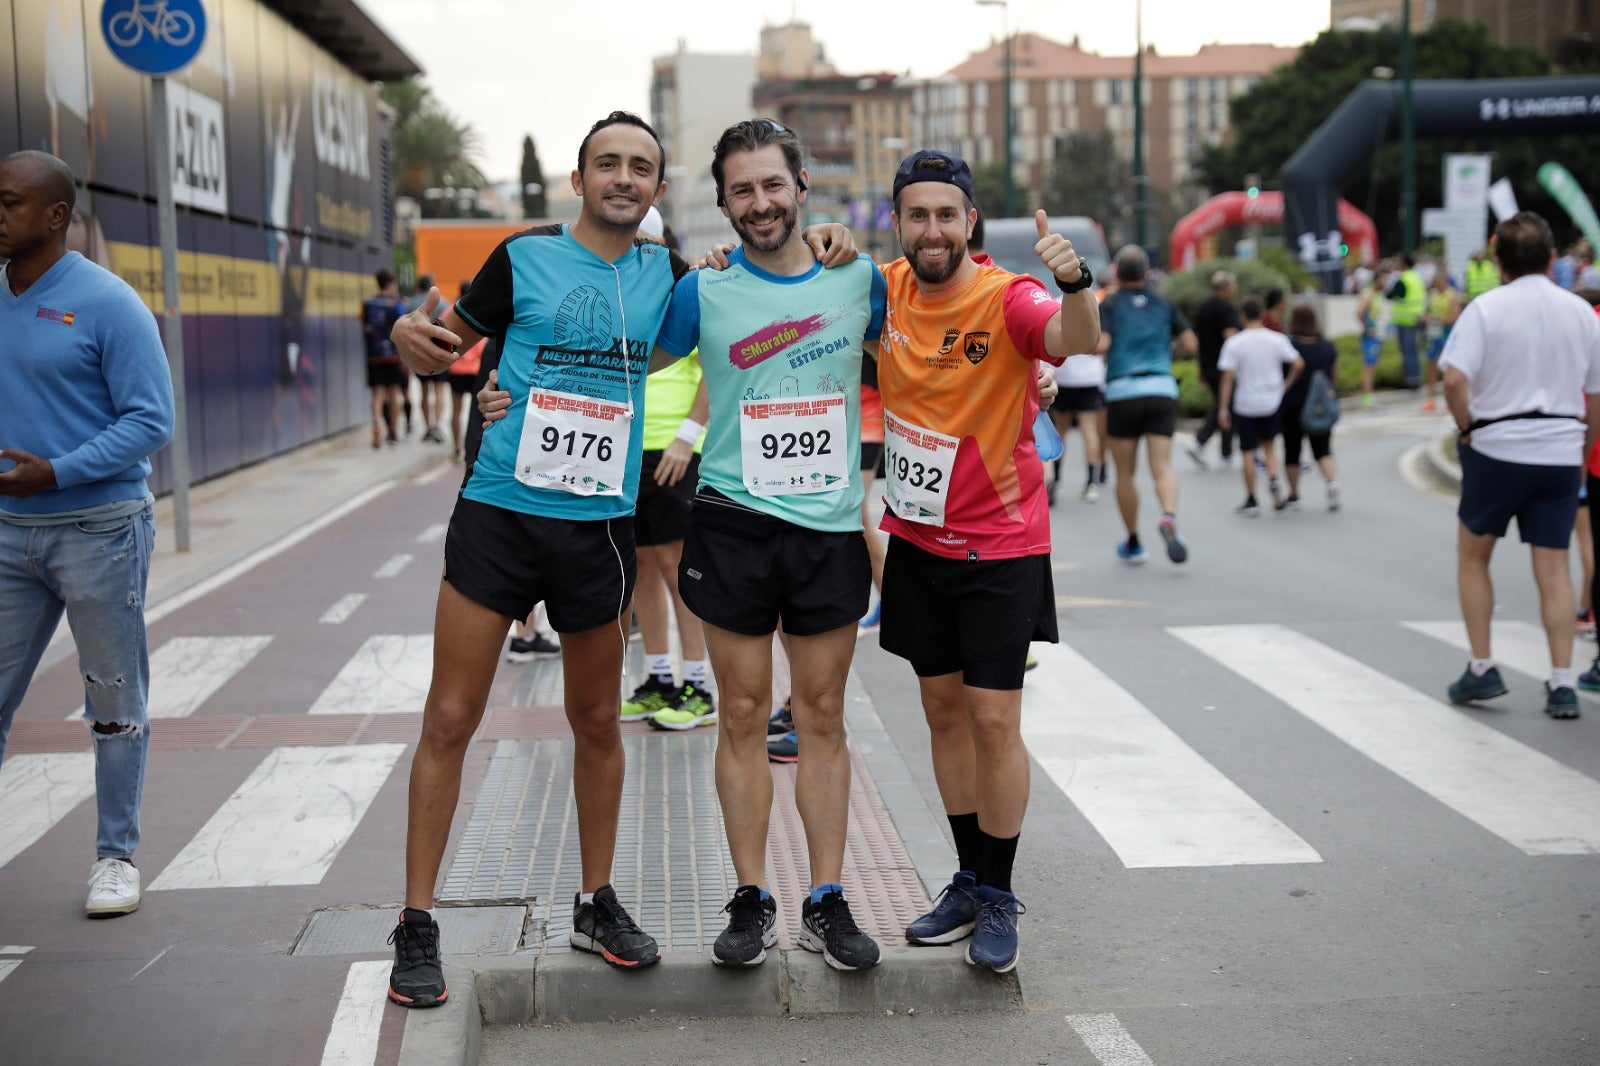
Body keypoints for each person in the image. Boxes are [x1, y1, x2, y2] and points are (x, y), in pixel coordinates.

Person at [385, 112, 857, 1007]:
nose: (625, 178)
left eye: (642, 167)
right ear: (579, 178)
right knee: (449, 717)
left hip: (600, 526)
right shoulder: (522, 257)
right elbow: (438, 341)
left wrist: (830, 245)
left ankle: (596, 901)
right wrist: (418, 349)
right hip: (497, 513)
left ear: (658, 188)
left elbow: (750, 305)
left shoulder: (673, 279)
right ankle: (416, 920)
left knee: (598, 722)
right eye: (609, 163)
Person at [651, 118, 886, 971]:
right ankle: (751, 897)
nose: (760, 203)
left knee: (821, 716)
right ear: (722, 202)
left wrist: (1038, 375)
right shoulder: (701, 293)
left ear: (801, 188)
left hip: (826, 530)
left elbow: (932, 348)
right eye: (742, 190)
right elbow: (618, 355)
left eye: (773, 185)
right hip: (734, 525)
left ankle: (827, 898)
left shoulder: (859, 277)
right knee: (744, 714)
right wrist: (505, 386)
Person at [877, 149, 1098, 973]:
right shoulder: (887, 289)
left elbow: (1074, 337)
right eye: (917, 215)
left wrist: (1076, 285)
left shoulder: (1009, 296)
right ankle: (968, 880)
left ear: (970, 221)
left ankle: (1000, 894)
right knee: (940, 714)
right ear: (899, 223)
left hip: (1000, 545)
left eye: (947, 214)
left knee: (995, 720)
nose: (932, 229)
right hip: (917, 539)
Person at [0, 150, 175, 918]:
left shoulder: (108, 304)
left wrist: (59, 472)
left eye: (6, 202)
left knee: (112, 702)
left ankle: (116, 857)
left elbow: (151, 421)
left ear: (55, 216)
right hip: (7, 535)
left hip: (100, 532)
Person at [1440, 211, 1600, 720]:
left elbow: (1452, 380)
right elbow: (1596, 395)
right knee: (1553, 567)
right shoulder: (1579, 312)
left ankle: (1483, 668)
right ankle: (1561, 682)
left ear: (1499, 263)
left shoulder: (1485, 309)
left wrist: (1467, 429)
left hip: (1497, 445)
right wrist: (1580, 452)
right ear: (1553, 259)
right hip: (1560, 446)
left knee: (1473, 556)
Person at [618, 207, 715, 732]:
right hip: (623, 450)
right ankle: (659, 678)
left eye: (641, 239)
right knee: (639, 572)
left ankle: (698, 685)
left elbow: (715, 369)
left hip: (672, 450)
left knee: (680, 573)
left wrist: (686, 437)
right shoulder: (619, 294)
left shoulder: (683, 292)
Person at [1097, 245, 1198, 565]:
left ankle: (1133, 541)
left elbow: (1103, 344)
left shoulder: (1110, 304)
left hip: (1123, 392)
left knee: (1125, 473)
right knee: (1162, 467)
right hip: (1160, 388)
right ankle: (1169, 515)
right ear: (1145, 272)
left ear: (1116, 273)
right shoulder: (1163, 302)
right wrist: (1168, 351)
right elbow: (1190, 344)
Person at [1218, 296, 1303, 516]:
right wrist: (1286, 384)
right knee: (1270, 446)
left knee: (1247, 451)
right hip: (1271, 400)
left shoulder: (1235, 343)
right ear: (1262, 313)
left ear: (1243, 315)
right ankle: (1273, 479)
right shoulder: (1276, 339)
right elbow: (1298, 362)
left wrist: (1223, 407)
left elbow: (1227, 376)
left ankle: (1251, 498)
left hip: (1246, 402)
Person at [1279, 303, 1341, 511]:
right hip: (1319, 407)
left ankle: (1294, 495)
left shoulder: (1289, 346)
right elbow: (1333, 375)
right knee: (1323, 449)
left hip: (1293, 406)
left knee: (1292, 451)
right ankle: (1332, 484)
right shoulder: (1327, 346)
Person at [1188, 270, 1240, 469]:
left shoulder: (1204, 308)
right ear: (1226, 288)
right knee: (1226, 405)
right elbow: (1231, 337)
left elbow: (1198, 341)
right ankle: (1203, 443)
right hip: (1223, 366)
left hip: (1208, 365)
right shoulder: (1225, 309)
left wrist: (1200, 367)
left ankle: (1221, 450)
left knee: (1224, 404)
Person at [361, 269, 408, 448]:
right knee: (393, 393)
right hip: (392, 356)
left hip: (373, 355)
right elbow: (403, 330)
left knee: (377, 393)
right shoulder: (395, 304)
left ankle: (375, 424)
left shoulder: (367, 304)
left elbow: (364, 330)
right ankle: (393, 431)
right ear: (391, 284)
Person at [408, 274, 452, 444]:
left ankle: (428, 427)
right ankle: (438, 427)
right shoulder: (444, 302)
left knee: (424, 391)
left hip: (419, 353)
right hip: (440, 352)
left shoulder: (411, 303)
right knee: (440, 390)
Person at [443, 281, 481, 461]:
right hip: (476, 369)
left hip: (456, 368)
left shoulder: (450, 313)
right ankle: (474, 448)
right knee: (477, 412)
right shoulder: (482, 311)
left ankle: (457, 448)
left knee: (456, 410)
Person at [1421, 264, 1461, 414]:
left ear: (1442, 280)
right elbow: (1428, 312)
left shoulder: (1452, 296)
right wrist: (1427, 319)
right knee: (1431, 366)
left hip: (1446, 335)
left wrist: (1434, 319)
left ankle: (1448, 401)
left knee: (1447, 368)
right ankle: (1430, 399)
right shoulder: (1432, 294)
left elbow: (1453, 318)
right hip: (1433, 334)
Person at [1386, 253, 1425, 389]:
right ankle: (1416, 378)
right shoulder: (1417, 277)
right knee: (1413, 350)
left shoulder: (1403, 279)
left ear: (1404, 264)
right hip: (1416, 318)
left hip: (1405, 320)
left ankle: (1410, 380)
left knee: (1407, 351)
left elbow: (1390, 295)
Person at [1354, 266, 1390, 410]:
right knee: (1369, 367)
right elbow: (1359, 312)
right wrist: (1368, 328)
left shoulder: (1377, 295)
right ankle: (1368, 401)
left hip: (1376, 336)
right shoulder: (1368, 295)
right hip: (1370, 337)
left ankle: (1370, 399)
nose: (1386, 282)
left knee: (1372, 367)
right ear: (1378, 280)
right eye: (1385, 279)